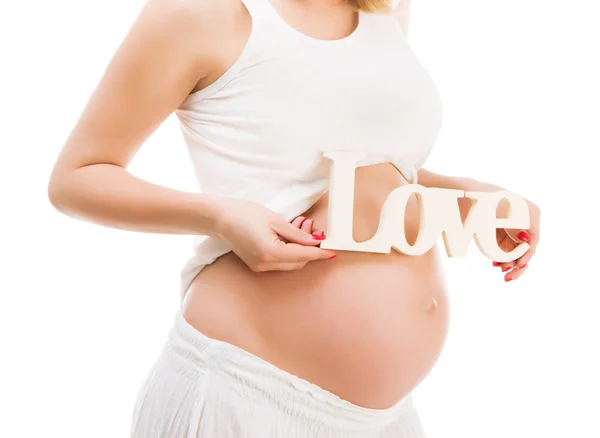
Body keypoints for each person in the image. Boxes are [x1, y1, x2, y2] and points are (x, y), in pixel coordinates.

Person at [47, 0, 542, 436]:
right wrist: (221, 215)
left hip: (386, 417)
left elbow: (376, 168)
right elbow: (78, 177)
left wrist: (471, 196)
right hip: (245, 392)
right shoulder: (201, 13)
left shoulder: (383, 8)